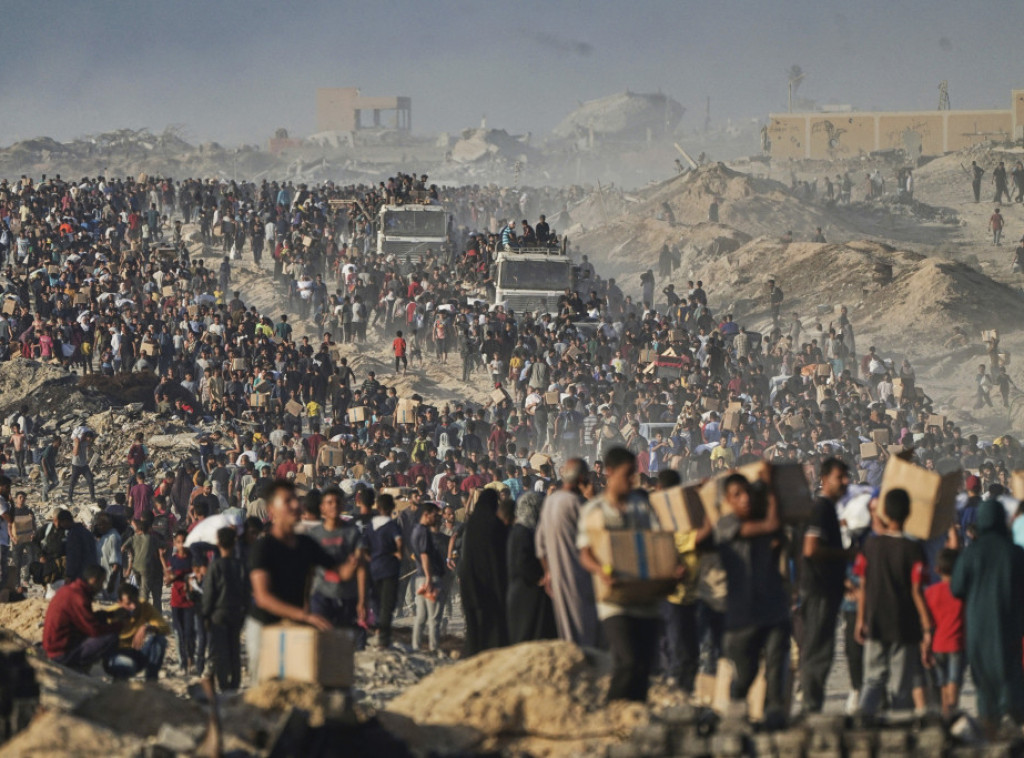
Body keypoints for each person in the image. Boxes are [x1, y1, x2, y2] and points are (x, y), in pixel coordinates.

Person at [578, 447, 669, 703]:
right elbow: (585, 553)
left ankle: (634, 717)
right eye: (627, 474)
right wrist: (600, 572)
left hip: (645, 597)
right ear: (609, 472)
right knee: (627, 660)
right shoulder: (594, 510)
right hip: (614, 600)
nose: (632, 480)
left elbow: (656, 541)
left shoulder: (641, 507)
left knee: (644, 664)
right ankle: (613, 711)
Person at [246, 480, 360, 682]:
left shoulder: (307, 544)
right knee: (266, 690)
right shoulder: (263, 548)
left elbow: (338, 573)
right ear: (272, 509)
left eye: (296, 500)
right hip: (265, 626)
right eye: (287, 501)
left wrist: (353, 564)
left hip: (294, 626)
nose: (295, 505)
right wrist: (306, 616)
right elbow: (263, 597)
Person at [714, 467, 789, 725]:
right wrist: (770, 487)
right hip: (742, 615)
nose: (744, 498)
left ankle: (775, 715)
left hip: (773, 608)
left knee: (777, 666)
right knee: (747, 674)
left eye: (746, 492)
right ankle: (736, 715)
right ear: (728, 500)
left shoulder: (763, 524)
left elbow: (778, 537)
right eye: (737, 494)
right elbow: (772, 524)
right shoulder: (726, 526)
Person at [854, 488, 932, 717]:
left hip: (875, 621)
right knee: (900, 685)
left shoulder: (870, 546)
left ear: (884, 512)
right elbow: (917, 591)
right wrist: (927, 627)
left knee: (873, 680)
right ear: (909, 513)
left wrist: (861, 619)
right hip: (903, 625)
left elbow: (863, 586)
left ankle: (864, 721)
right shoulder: (913, 549)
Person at [952, 497, 1024, 733]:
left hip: (978, 628)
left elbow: (957, 588)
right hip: (1010, 625)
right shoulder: (1015, 553)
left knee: (983, 682)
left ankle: (989, 727)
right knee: (1010, 676)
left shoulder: (971, 554)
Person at [799, 458, 851, 714]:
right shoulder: (821, 508)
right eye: (840, 477)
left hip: (825, 588)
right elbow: (811, 549)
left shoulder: (828, 508)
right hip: (818, 590)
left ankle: (812, 703)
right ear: (824, 478)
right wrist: (847, 555)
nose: (846, 481)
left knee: (822, 648)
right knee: (818, 650)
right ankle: (810, 706)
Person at [536, 459, 602, 647]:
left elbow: (540, 545)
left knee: (566, 630)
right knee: (585, 629)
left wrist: (548, 573)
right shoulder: (579, 504)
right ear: (582, 478)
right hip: (580, 576)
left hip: (557, 576)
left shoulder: (550, 502)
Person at [308, 487, 367, 646]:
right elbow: (308, 570)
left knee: (343, 644)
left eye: (337, 502)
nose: (333, 505)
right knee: (321, 641)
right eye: (329, 502)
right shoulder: (314, 535)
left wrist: (362, 600)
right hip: (322, 595)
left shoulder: (352, 533)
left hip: (347, 595)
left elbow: (361, 567)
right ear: (322, 508)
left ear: (342, 506)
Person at [42, 564, 122, 674]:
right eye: (101, 582)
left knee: (104, 623)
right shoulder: (78, 596)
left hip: (55, 647)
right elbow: (94, 630)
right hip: (60, 653)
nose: (101, 587)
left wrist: (109, 614)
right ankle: (112, 674)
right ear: (94, 580)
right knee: (112, 636)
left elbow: (87, 618)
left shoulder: (71, 590)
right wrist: (120, 626)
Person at [458, 489, 509, 656]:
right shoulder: (496, 525)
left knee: (474, 626)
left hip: (470, 582)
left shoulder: (471, 525)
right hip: (491, 583)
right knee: (492, 624)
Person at [202, 526, 248, 692]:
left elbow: (209, 593)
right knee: (234, 649)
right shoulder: (241, 565)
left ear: (219, 543)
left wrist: (205, 615)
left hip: (218, 614)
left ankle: (223, 683)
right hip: (236, 612)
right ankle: (234, 683)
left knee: (221, 651)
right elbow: (246, 591)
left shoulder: (215, 566)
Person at [507, 491, 557, 644]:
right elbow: (523, 561)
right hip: (526, 591)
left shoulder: (524, 530)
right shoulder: (522, 532)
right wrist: (539, 578)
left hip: (525, 590)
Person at [925, 548, 965, 718]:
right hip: (957, 642)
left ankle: (945, 713)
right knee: (954, 680)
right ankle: (953, 710)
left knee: (942, 683)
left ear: (937, 569)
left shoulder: (930, 592)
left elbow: (929, 622)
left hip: (937, 644)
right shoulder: (962, 592)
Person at [366, 493, 403, 648]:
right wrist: (398, 554)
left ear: (378, 507)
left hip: (373, 568)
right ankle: (384, 637)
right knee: (388, 604)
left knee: (376, 602)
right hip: (389, 568)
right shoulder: (392, 525)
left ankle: (376, 631)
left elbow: (364, 548)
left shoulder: (370, 526)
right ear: (392, 508)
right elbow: (399, 542)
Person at [112, 584, 170, 681]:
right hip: (118, 656)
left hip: (137, 653)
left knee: (159, 640)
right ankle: (119, 682)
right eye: (129, 603)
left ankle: (151, 681)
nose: (133, 606)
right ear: (119, 602)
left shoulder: (143, 606)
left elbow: (165, 628)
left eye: (135, 602)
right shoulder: (111, 614)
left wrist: (147, 628)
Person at [411, 501, 445, 652]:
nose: (436, 518)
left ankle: (416, 647)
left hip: (420, 577)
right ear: (426, 514)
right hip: (429, 577)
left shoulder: (416, 530)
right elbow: (424, 556)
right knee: (434, 618)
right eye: (434, 515)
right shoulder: (424, 532)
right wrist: (429, 578)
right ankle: (434, 648)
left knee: (421, 617)